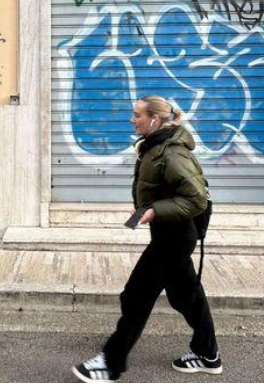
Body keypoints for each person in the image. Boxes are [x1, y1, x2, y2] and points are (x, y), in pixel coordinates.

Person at [72, 96, 219, 383]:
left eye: (137, 114)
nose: (131, 119)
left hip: (174, 237)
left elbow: (196, 198)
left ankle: (110, 363)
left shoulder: (172, 153)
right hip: (169, 232)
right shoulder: (156, 146)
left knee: (137, 296)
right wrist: (148, 207)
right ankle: (208, 354)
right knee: (186, 296)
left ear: (154, 119)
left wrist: (154, 210)